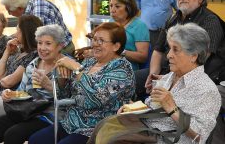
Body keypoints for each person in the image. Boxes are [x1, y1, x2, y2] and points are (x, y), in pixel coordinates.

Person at [89, 23, 221, 144]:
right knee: (104, 125)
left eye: (176, 50)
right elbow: (151, 107)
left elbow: (199, 136)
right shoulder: (169, 77)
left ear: (194, 55)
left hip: (163, 139)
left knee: (112, 138)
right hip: (144, 129)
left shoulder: (206, 90)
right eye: (169, 49)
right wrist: (133, 108)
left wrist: (172, 108)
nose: (168, 55)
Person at [29, 22, 136, 144]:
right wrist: (62, 79)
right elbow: (66, 95)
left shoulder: (121, 70)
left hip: (99, 127)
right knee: (35, 140)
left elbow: (97, 98)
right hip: (72, 121)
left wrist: (76, 68)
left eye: (101, 41)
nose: (95, 44)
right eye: (94, 39)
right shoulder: (89, 63)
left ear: (116, 46)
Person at [135, 0, 225, 100]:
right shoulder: (172, 19)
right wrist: (153, 74)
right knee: (130, 80)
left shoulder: (210, 20)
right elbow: (158, 50)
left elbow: (201, 58)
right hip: (167, 71)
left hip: (194, 76)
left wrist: (170, 80)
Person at [0, 0, 74, 55]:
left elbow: (33, 39)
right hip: (48, 48)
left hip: (62, 50)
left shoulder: (39, 11)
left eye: (9, 10)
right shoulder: (30, 7)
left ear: (20, 8)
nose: (9, 13)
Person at [110, 0, 150, 70]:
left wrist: (120, 51)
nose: (112, 10)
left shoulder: (139, 26)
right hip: (107, 66)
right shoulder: (111, 23)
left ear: (129, 7)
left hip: (126, 71)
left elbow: (143, 57)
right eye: (111, 6)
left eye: (117, 6)